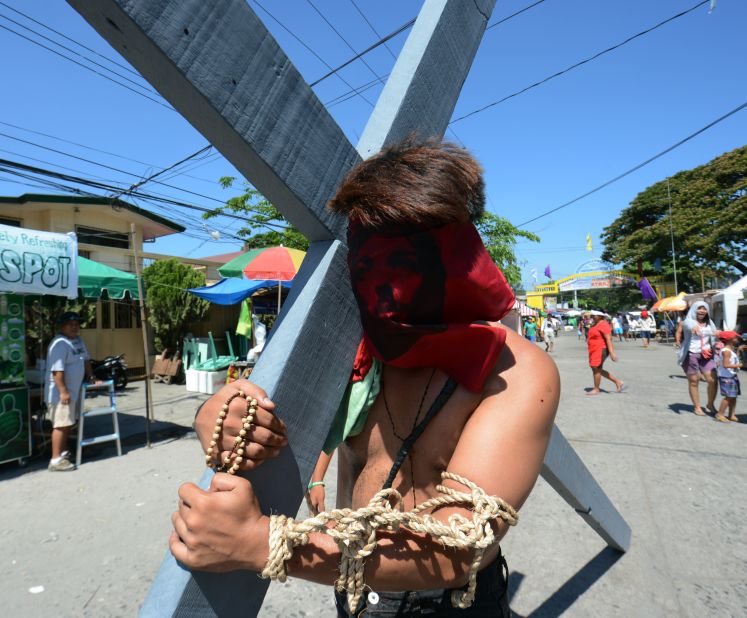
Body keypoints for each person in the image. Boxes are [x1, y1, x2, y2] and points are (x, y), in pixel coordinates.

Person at [172, 140, 560, 617]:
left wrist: (260, 544)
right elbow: (257, 405)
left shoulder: (516, 371)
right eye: (369, 250)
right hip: (352, 585)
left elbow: (460, 545)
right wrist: (218, 413)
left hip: (453, 603)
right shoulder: (350, 343)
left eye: (408, 248)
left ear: (460, 249)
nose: (386, 281)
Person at [45, 311, 94, 471]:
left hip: (73, 392)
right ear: (62, 326)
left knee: (68, 424)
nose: (75, 327)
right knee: (60, 425)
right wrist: (63, 391)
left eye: (77, 324)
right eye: (71, 324)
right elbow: (56, 371)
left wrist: (90, 375)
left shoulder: (78, 341)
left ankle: (63, 452)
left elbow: (86, 359)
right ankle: (55, 460)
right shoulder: (59, 344)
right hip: (60, 394)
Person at [676, 301, 719, 416]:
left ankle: (710, 404)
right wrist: (694, 326)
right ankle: (697, 406)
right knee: (694, 381)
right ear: (694, 309)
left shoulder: (710, 323)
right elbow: (687, 324)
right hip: (692, 354)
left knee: (712, 380)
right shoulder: (689, 321)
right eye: (699, 308)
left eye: (704, 308)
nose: (702, 311)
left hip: (707, 354)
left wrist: (718, 342)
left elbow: (715, 335)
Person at [586, 310, 624, 396]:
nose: (592, 316)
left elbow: (608, 339)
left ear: (600, 316)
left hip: (600, 349)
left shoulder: (604, 324)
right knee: (596, 368)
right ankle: (617, 382)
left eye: (594, 315)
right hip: (594, 349)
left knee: (596, 368)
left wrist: (612, 352)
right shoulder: (596, 323)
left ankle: (596, 389)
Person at [715, 331, 744, 423]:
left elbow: (733, 360)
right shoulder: (726, 351)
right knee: (728, 397)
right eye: (736, 338)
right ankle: (720, 414)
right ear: (730, 339)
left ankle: (731, 414)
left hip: (732, 376)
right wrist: (742, 365)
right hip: (726, 377)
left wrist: (739, 351)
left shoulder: (730, 350)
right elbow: (726, 365)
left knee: (733, 396)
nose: (738, 339)